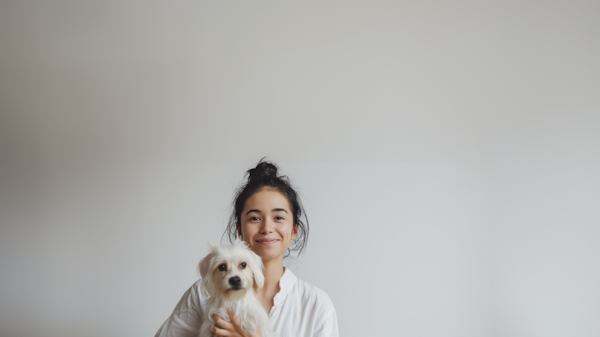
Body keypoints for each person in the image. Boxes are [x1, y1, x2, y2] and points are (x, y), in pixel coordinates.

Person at [155, 159, 339, 337]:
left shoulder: (316, 304)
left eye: (278, 217)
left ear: (294, 230)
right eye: (254, 218)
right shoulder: (202, 294)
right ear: (239, 230)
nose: (267, 228)